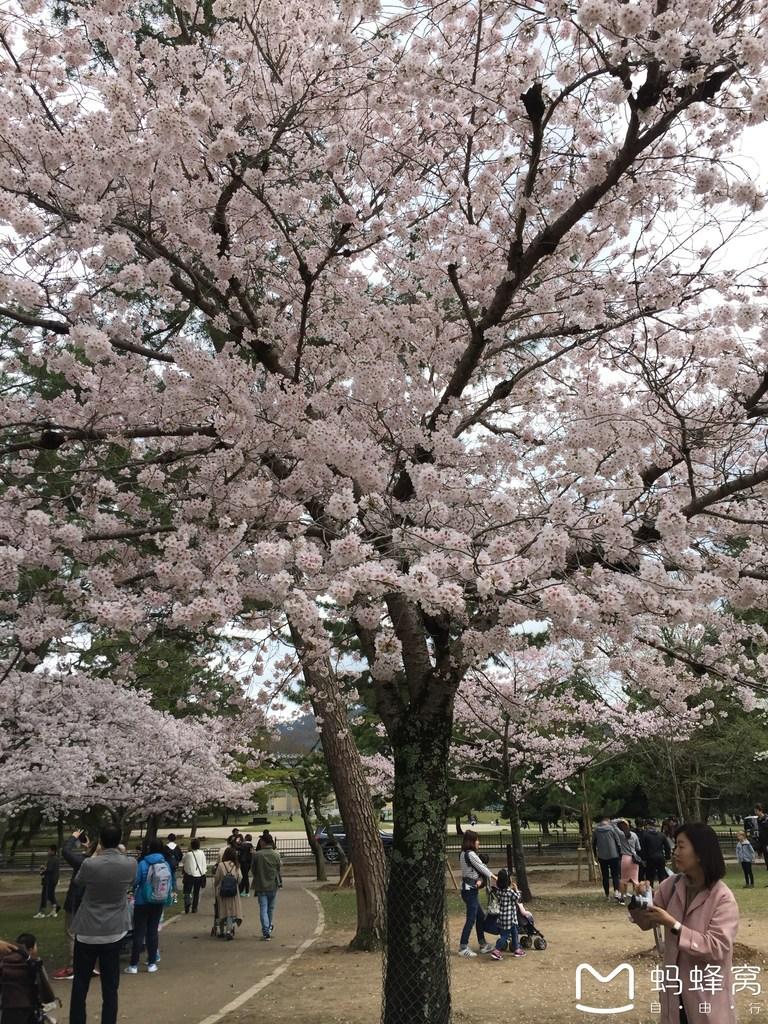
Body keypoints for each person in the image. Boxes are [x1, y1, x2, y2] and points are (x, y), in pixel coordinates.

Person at [629, 822, 739, 1024]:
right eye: (675, 847)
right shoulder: (670, 886)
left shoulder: (722, 898)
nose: (675, 852)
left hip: (705, 993)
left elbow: (716, 948)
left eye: (681, 846)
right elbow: (647, 923)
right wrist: (639, 902)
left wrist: (674, 925)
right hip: (674, 990)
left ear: (700, 853)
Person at [68, 824, 135, 1024]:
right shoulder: (131, 863)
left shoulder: (91, 864)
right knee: (110, 985)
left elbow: (78, 882)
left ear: (101, 841)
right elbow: (130, 883)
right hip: (114, 930)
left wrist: (94, 855)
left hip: (88, 929)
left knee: (80, 983)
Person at [125, 838, 173, 974]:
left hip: (142, 901)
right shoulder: (165, 863)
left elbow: (136, 881)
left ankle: (133, 964)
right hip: (158, 901)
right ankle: (152, 963)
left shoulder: (143, 863)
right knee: (152, 932)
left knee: (139, 932)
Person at [0, 933, 56, 1024]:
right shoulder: (31, 961)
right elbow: (43, 987)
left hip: (9, 1004)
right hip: (28, 1003)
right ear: (31, 948)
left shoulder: (6, 959)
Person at [457, 830, 496, 958]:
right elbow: (481, 867)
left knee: (480, 916)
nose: (478, 842)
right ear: (472, 841)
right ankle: (463, 946)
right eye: (477, 840)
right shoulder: (471, 854)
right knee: (471, 918)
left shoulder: (463, 854)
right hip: (469, 891)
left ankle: (483, 944)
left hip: (469, 890)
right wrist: (494, 877)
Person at [484, 869, 526, 962]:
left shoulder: (499, 891)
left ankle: (516, 949)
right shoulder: (509, 892)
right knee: (505, 936)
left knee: (515, 933)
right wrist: (516, 889)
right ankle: (497, 950)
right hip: (510, 919)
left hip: (503, 918)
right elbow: (517, 898)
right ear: (508, 881)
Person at [252, 835, 282, 941]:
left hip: (261, 885)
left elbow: (253, 870)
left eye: (261, 840)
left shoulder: (257, 855)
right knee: (270, 908)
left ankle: (266, 930)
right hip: (273, 885)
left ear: (264, 842)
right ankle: (268, 928)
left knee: (263, 908)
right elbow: (278, 869)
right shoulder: (276, 854)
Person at [213, 847, 242, 940]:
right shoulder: (236, 865)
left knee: (221, 910)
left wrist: (216, 885)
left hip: (222, 891)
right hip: (233, 892)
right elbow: (240, 878)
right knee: (230, 911)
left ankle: (221, 931)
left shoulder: (221, 865)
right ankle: (229, 930)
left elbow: (217, 879)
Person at [592, 815, 623, 901]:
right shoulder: (612, 829)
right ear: (607, 821)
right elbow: (618, 842)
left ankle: (607, 895)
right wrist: (620, 853)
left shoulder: (596, 831)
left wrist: (595, 854)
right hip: (614, 855)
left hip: (602, 856)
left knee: (605, 876)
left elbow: (593, 844)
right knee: (615, 875)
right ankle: (616, 892)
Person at [616, 820, 642, 905]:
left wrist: (619, 820)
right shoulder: (634, 835)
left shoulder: (621, 835)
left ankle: (622, 898)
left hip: (625, 858)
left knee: (624, 880)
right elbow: (638, 848)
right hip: (634, 859)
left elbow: (612, 825)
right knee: (635, 880)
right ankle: (638, 898)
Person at [641, 819, 673, 887]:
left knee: (650, 876)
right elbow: (667, 847)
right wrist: (667, 857)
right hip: (660, 857)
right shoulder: (661, 835)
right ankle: (663, 890)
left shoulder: (645, 835)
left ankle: (650, 891)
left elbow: (643, 848)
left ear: (648, 826)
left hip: (650, 858)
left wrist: (643, 859)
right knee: (661, 875)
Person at [182, 838, 208, 914]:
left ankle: (187, 905)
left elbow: (183, 861)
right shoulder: (202, 853)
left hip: (190, 875)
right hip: (200, 875)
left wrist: (188, 851)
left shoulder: (189, 854)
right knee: (196, 892)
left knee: (187, 891)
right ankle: (194, 908)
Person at [34, 845, 60, 919]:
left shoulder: (52, 859)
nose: (48, 851)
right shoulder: (54, 859)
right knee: (50, 895)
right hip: (52, 880)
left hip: (49, 880)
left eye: (49, 850)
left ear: (53, 851)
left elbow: (49, 870)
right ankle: (55, 908)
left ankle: (41, 912)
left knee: (44, 896)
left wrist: (42, 872)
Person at [754, 804, 768, 871]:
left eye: (756, 811)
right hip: (762, 840)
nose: (755, 812)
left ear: (761, 811)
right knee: (765, 856)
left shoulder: (766, 818)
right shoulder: (758, 819)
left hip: (767, 841)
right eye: (755, 811)